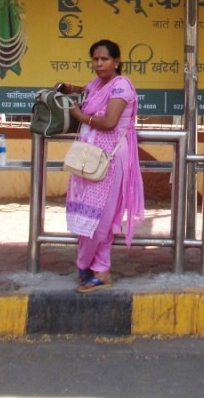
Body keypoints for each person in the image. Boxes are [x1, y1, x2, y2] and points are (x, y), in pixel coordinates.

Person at [56, 39, 144, 292]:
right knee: (85, 213)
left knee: (102, 218)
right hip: (87, 157)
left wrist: (79, 116)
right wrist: (68, 87)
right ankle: (100, 270)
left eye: (104, 59)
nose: (99, 63)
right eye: (95, 59)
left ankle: (86, 264)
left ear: (117, 61)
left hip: (109, 160)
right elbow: (84, 91)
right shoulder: (96, 84)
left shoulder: (121, 86)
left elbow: (109, 122)